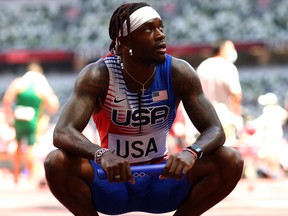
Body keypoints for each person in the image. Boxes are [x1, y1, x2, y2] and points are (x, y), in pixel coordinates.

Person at [44, 2, 243, 216]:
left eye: (161, 28)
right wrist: (102, 154)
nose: (160, 36)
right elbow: (63, 132)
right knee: (56, 162)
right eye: (149, 29)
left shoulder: (179, 72)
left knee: (230, 160)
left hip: (161, 181)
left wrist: (191, 152)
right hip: (112, 184)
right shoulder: (98, 75)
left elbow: (215, 130)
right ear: (125, 40)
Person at [2, 62, 59, 184]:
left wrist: (9, 116)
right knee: (30, 147)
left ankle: (16, 176)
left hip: (19, 118)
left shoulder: (19, 82)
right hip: (32, 120)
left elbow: (7, 100)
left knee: (17, 146)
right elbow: (54, 107)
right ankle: (31, 177)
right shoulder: (42, 86)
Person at [197, 40, 243, 146]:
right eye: (231, 48)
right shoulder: (228, 67)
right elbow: (236, 95)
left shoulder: (202, 67)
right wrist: (238, 118)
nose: (234, 51)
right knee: (226, 156)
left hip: (205, 120)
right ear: (222, 50)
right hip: (225, 120)